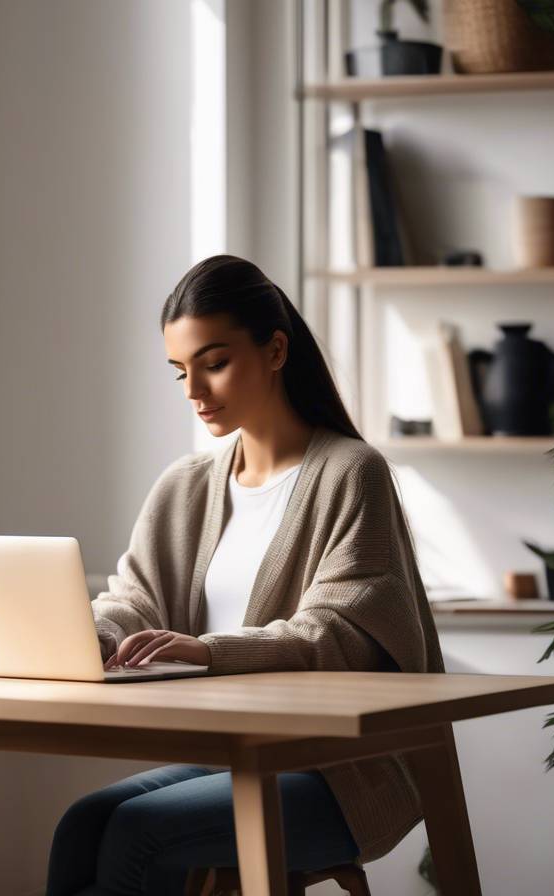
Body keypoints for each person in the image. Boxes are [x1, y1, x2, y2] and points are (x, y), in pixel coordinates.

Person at [45, 255, 445, 896]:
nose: (194, 391)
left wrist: (207, 651)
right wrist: (84, 636)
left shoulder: (350, 472)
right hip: (235, 754)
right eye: (180, 371)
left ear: (276, 349)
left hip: (339, 774)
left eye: (215, 362)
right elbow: (135, 597)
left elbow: (335, 631)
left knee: (135, 833)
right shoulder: (186, 485)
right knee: (82, 825)